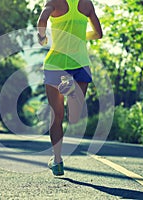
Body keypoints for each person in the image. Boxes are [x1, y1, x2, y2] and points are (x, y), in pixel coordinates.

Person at [37, 0, 103, 176]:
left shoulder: (53, 1)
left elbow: (42, 20)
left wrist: (42, 37)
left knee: (56, 116)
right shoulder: (86, 4)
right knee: (74, 116)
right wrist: (81, 36)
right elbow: (98, 34)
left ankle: (57, 161)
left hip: (55, 65)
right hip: (80, 64)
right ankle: (71, 89)